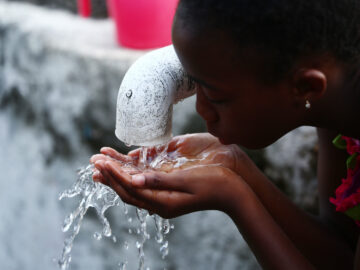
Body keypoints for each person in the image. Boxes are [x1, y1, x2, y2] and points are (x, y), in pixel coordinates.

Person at [90, 1, 360, 269]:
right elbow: (341, 252)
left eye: (215, 96)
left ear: (305, 87)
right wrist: (236, 166)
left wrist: (234, 197)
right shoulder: (336, 103)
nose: (201, 109)